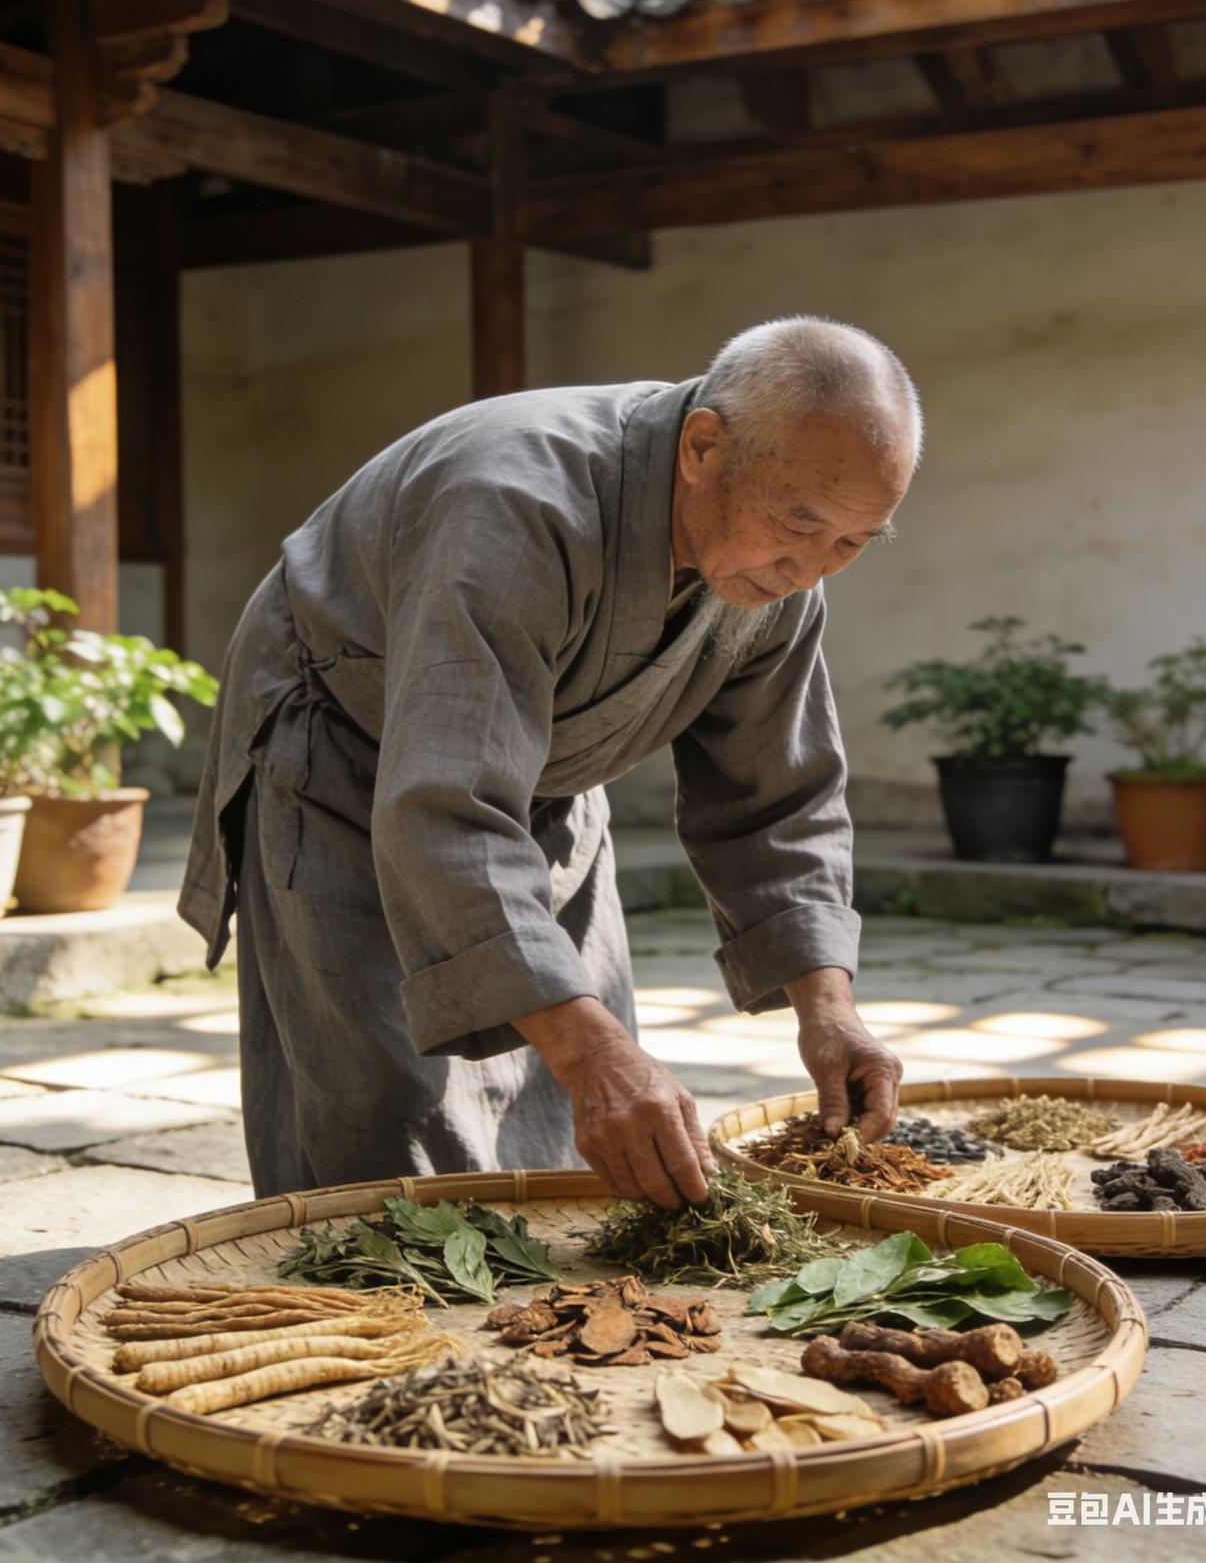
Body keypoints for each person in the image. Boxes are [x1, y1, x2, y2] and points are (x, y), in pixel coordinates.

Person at [179, 316, 922, 1207]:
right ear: (701, 446)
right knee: (385, 1120)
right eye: (798, 525)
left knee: (579, 1105)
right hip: (350, 750)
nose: (810, 571)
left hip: (549, 777)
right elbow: (446, 802)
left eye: (852, 543)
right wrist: (593, 1051)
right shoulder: (514, 498)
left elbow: (777, 797)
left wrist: (828, 1009)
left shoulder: (780, 580)